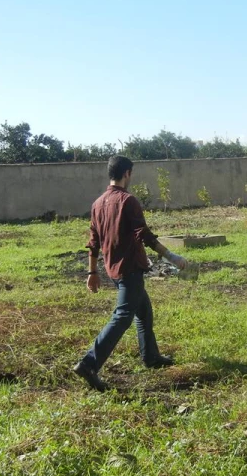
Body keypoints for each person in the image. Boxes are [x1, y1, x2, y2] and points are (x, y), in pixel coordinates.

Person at [73, 155, 189, 392]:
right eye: (131, 173)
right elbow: (143, 234)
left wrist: (92, 272)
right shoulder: (128, 201)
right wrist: (172, 257)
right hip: (130, 269)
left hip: (112, 269)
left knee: (143, 312)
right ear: (127, 173)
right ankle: (89, 363)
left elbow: (93, 242)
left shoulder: (97, 204)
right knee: (123, 316)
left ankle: (151, 356)